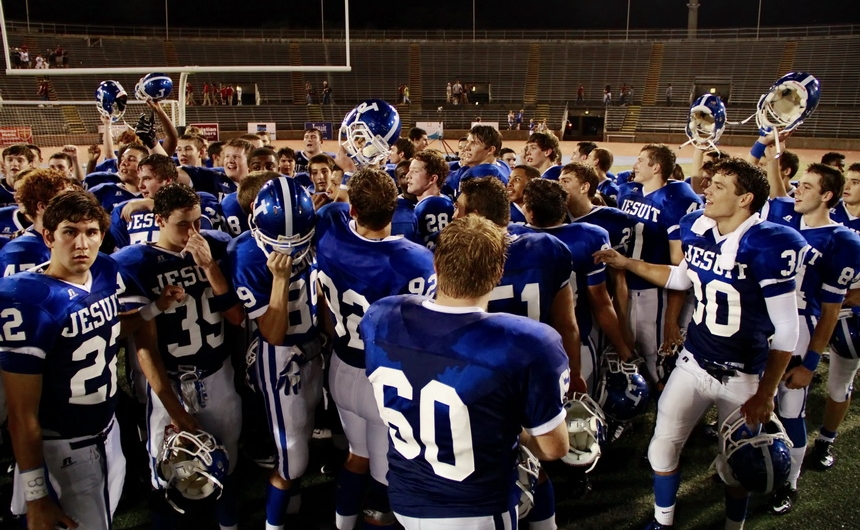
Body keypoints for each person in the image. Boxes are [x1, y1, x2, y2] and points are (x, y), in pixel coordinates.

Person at [594, 157, 808, 529]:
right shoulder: (697, 226)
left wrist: (766, 392)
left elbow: (787, 329)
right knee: (661, 447)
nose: (706, 189)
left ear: (746, 199)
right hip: (693, 362)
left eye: (719, 186)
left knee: (740, 461)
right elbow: (681, 278)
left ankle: (733, 525)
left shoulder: (771, 243)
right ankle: (664, 521)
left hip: (744, 375)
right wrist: (627, 263)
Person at [361, 213, 570, 529]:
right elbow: (554, 448)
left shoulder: (382, 315)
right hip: (474, 509)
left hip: (404, 497)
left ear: (436, 266)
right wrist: (519, 432)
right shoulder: (528, 343)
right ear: (498, 273)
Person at [0, 191, 145, 529]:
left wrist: (153, 310)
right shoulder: (28, 300)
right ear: (49, 236)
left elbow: (106, 327)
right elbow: (21, 415)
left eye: (91, 232)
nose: (82, 243)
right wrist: (36, 494)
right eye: (70, 231)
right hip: (62, 447)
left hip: (108, 431)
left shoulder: (106, 269)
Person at [112, 183, 244, 529]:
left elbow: (236, 318)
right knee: (166, 470)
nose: (193, 232)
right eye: (183, 224)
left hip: (218, 373)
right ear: (159, 220)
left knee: (224, 463)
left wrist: (210, 266)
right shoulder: (137, 263)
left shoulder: (215, 246)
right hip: (170, 379)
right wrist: (172, 407)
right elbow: (145, 348)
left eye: (198, 222)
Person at [314, 168, 436, 530]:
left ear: (354, 210)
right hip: (385, 380)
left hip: (339, 368)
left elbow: (334, 208)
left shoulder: (329, 234)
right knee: (386, 475)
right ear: (395, 206)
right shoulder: (415, 259)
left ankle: (343, 525)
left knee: (357, 455)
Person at [760, 157, 860, 513]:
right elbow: (774, 191)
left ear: (827, 195)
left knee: (790, 410)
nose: (796, 190)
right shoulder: (783, 215)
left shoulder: (841, 240)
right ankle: (748, 463)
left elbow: (831, 311)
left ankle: (789, 482)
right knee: (749, 402)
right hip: (760, 325)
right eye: (798, 184)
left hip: (798, 329)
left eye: (806, 186)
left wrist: (811, 363)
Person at [225, 176, 323, 530]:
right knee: (292, 459)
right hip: (280, 359)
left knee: (304, 440)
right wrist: (280, 280)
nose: (290, 250)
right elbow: (270, 332)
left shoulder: (314, 225)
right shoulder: (245, 253)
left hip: (313, 351)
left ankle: (291, 509)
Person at [616, 144, 702, 383]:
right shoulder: (628, 190)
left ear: (656, 167)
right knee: (626, 344)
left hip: (653, 289)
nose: (635, 165)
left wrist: (671, 318)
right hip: (622, 283)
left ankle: (660, 392)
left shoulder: (676, 200)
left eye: (641, 160)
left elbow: (679, 267)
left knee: (654, 353)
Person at [408, 150, 454, 250]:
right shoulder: (445, 201)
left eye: (415, 171)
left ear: (432, 179)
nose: (408, 176)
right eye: (409, 170)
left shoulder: (431, 205)